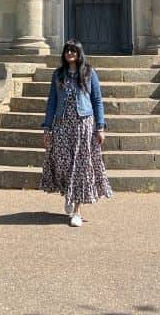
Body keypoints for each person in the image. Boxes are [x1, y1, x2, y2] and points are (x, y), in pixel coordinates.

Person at [40, 38, 113, 226]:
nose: (70, 54)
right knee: (63, 163)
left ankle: (77, 212)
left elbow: (97, 100)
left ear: (79, 53)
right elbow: (52, 102)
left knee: (80, 167)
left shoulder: (89, 73)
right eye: (67, 51)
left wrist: (100, 127)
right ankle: (69, 194)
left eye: (73, 51)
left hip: (83, 124)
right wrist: (47, 128)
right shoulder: (58, 75)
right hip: (62, 124)